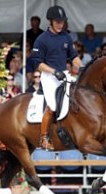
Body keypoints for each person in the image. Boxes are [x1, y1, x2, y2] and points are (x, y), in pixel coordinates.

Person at [31, 5, 82, 150]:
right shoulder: (42, 39)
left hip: (64, 74)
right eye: (57, 22)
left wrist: (82, 66)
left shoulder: (66, 37)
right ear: (51, 21)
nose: (60, 24)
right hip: (49, 76)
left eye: (62, 22)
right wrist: (54, 72)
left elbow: (74, 58)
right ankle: (44, 138)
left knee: (78, 97)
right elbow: (38, 63)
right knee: (52, 106)